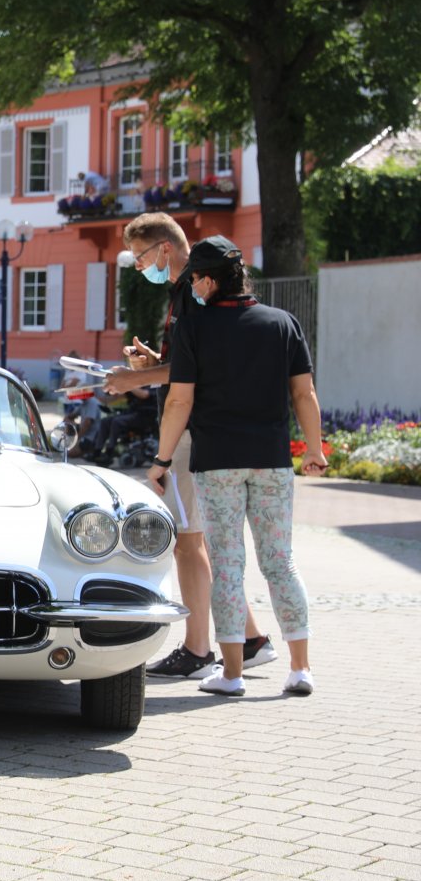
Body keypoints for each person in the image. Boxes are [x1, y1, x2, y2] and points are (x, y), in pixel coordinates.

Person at [148, 235, 326, 697]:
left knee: (227, 566)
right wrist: (313, 449)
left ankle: (231, 675)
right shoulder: (283, 323)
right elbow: (304, 393)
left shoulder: (194, 328)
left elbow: (179, 401)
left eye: (195, 281)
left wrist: (162, 459)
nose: (193, 289)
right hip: (272, 461)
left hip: (217, 463)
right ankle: (301, 669)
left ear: (208, 281)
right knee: (280, 562)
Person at [106, 213, 268, 679]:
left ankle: (199, 651)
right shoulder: (189, 290)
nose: (139, 268)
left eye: (140, 258)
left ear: (164, 249)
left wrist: (134, 379)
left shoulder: (192, 291)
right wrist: (154, 364)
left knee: (188, 542)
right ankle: (251, 640)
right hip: (202, 429)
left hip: (192, 430)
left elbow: (192, 372)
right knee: (198, 543)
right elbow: (186, 363)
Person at [87, 384, 156, 464]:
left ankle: (109, 452)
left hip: (145, 415)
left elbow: (144, 394)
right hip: (132, 413)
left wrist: (129, 384)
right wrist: (100, 399)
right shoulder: (135, 385)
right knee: (105, 421)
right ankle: (97, 452)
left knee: (117, 422)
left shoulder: (150, 383)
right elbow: (118, 397)